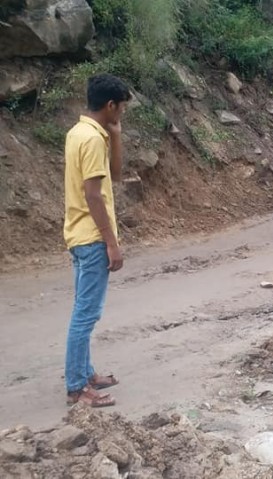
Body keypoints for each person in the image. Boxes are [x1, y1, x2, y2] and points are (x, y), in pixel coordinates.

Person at [63, 74, 131, 407]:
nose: (122, 114)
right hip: (91, 238)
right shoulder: (90, 140)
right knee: (85, 315)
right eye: (121, 109)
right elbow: (93, 195)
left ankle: (85, 373)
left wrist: (115, 136)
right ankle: (77, 387)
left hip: (78, 235)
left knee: (84, 310)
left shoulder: (81, 132)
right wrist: (111, 242)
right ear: (110, 105)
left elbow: (114, 176)